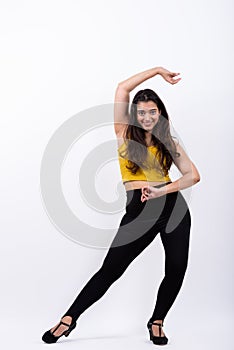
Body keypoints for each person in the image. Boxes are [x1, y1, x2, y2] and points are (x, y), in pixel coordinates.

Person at [42, 66, 201, 345]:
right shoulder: (124, 131)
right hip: (139, 210)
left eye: (152, 111)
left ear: (159, 113)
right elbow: (122, 88)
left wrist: (165, 187)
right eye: (142, 112)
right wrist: (157, 71)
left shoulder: (168, 142)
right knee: (111, 269)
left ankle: (157, 321)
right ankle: (68, 319)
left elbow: (193, 175)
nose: (147, 117)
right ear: (134, 115)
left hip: (173, 209)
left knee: (176, 267)